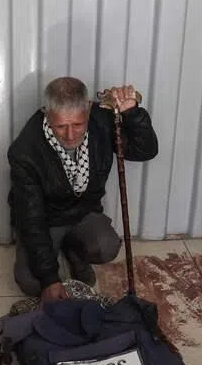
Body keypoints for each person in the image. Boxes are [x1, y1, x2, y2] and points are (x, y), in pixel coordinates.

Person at [9, 77, 159, 300]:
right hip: (46, 220)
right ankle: (56, 248)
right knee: (33, 282)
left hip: (83, 212)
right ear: (46, 113)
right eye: (60, 126)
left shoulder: (102, 120)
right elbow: (31, 217)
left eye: (78, 125)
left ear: (89, 109)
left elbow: (144, 151)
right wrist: (50, 279)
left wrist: (132, 113)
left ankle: (73, 250)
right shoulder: (25, 150)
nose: (70, 136)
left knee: (105, 246)